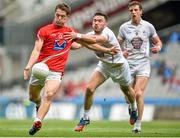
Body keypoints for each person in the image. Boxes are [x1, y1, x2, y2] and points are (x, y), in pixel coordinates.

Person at [23, 3, 116, 136]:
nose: (59, 18)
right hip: (40, 68)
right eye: (57, 15)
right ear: (55, 14)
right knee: (33, 97)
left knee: (49, 95)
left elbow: (82, 44)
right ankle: (37, 103)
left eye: (62, 16)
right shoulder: (44, 30)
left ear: (67, 17)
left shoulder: (69, 33)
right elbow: (36, 50)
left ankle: (37, 121)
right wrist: (28, 66)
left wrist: (106, 49)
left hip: (56, 72)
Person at [64, 11, 138, 132]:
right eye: (95, 21)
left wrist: (77, 36)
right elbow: (77, 46)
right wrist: (67, 42)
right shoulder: (89, 34)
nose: (96, 23)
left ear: (105, 24)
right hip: (104, 65)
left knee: (126, 90)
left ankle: (133, 108)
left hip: (118, 66)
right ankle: (85, 117)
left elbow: (94, 41)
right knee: (89, 88)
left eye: (100, 21)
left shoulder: (107, 33)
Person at [117, 1, 162, 133]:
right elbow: (116, 44)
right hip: (128, 65)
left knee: (138, 94)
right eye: (131, 10)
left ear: (141, 11)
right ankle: (132, 107)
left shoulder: (148, 27)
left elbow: (158, 41)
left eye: (136, 10)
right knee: (128, 96)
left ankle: (138, 125)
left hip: (143, 64)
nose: (133, 12)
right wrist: (121, 53)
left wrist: (158, 47)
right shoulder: (124, 27)